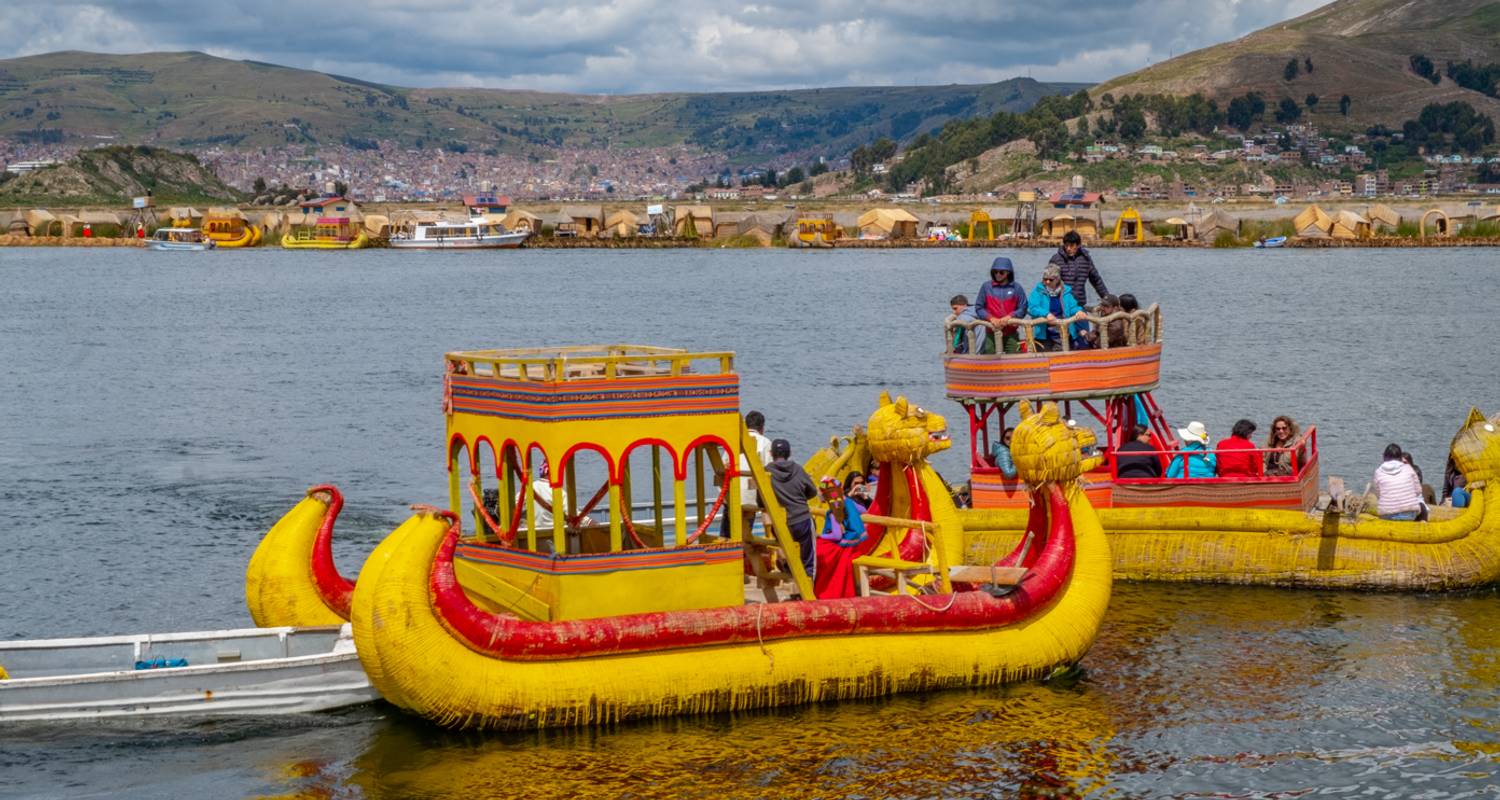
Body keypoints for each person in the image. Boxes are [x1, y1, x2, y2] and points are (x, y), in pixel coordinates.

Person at [767, 438, 818, 579]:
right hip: (802, 518)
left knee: (789, 553)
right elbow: (812, 491)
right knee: (809, 560)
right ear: (789, 453)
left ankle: (790, 572)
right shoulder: (798, 469)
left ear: (771, 453)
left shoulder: (766, 472)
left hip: (780, 523)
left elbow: (761, 499)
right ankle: (808, 590)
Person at [722, 410, 772, 536]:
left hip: (731, 495)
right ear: (762, 428)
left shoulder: (734, 441)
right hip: (750, 498)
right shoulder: (765, 443)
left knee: (727, 532)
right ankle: (745, 547)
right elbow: (770, 470)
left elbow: (723, 465)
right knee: (745, 532)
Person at [1027, 264, 1088, 351]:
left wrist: (1078, 311)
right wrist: (1046, 314)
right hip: (1043, 331)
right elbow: (1031, 307)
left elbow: (1073, 307)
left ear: (1057, 279)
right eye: (1045, 279)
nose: (1047, 282)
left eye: (1050, 279)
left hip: (1062, 329)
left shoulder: (1066, 291)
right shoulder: (1038, 291)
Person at [974, 257, 1029, 354]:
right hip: (991, 331)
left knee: (1014, 359)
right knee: (990, 358)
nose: (998, 275)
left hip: (1011, 331)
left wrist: (1010, 317)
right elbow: (979, 307)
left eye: (1001, 272)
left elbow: (1023, 307)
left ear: (1008, 273)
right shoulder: (986, 287)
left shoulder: (1017, 288)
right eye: (995, 272)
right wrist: (991, 318)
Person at [1048, 230, 1108, 308]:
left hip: (1079, 304)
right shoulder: (1056, 259)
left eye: (1071, 245)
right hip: (1060, 305)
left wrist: (1107, 299)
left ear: (1078, 245)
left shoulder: (1086, 259)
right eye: (1066, 245)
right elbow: (1048, 282)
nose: (1068, 248)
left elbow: (1096, 280)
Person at [1373, 444, 1423, 521]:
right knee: (1421, 505)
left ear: (1384, 457)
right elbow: (1418, 491)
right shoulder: (1408, 468)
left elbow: (1378, 494)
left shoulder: (1378, 472)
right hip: (1409, 515)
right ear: (1401, 457)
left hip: (1387, 515)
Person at [818, 477, 867, 547]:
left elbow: (837, 536)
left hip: (847, 544)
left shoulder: (833, 512)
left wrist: (821, 535)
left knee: (820, 545)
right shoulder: (849, 502)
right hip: (860, 538)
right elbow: (863, 510)